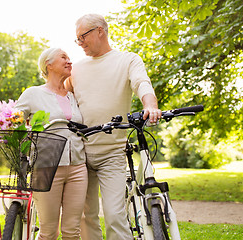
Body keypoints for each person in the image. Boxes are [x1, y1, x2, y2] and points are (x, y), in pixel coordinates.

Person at [64, 14, 162, 240]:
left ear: (100, 31)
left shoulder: (127, 60)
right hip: (80, 151)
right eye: (76, 39)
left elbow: (141, 83)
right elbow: (59, 96)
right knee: (85, 215)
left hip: (113, 151)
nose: (80, 43)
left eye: (82, 37)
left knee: (115, 215)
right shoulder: (76, 69)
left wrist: (150, 105)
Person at [15, 47, 88, 240]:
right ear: (48, 64)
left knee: (72, 231)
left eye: (70, 58)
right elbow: (11, 118)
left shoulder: (72, 96)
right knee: (48, 232)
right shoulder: (33, 94)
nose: (69, 61)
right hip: (47, 167)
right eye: (64, 57)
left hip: (78, 168)